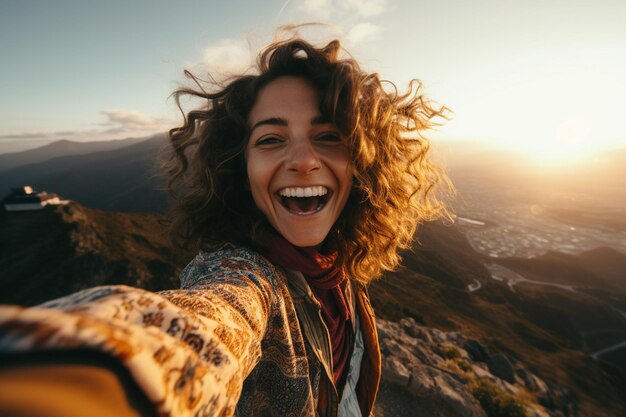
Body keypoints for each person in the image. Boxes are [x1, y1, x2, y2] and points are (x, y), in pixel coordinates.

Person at [0, 34, 448, 417]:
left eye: (328, 136)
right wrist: (93, 371)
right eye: (271, 140)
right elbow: (214, 320)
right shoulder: (243, 277)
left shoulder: (335, 264)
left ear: (362, 161)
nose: (305, 160)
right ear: (241, 168)